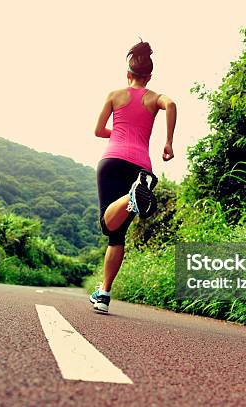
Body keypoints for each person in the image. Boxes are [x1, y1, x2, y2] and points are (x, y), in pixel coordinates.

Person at [90, 39, 177, 313]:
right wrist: (168, 143)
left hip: (112, 161)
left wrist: (117, 133)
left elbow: (98, 130)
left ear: (128, 74)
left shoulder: (115, 95)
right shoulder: (155, 98)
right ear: (149, 76)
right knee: (118, 235)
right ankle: (103, 293)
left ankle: (131, 196)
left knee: (108, 227)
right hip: (139, 167)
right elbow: (172, 103)